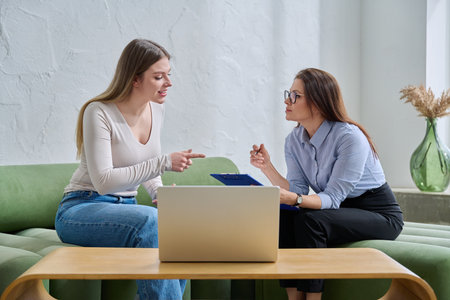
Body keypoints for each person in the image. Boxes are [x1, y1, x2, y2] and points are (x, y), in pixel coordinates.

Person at [55, 39, 205, 300]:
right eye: (159, 77)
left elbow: (145, 163)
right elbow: (104, 182)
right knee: (150, 221)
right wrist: (164, 162)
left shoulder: (156, 110)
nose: (168, 83)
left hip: (128, 210)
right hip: (81, 208)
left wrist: (160, 193)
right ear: (135, 79)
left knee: (180, 226)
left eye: (168, 75)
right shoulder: (98, 112)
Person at [249, 68, 403, 300]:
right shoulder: (294, 140)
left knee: (310, 220)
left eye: (295, 96)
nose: (286, 101)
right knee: (284, 215)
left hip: (377, 212)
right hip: (337, 210)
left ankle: (313, 298)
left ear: (318, 104)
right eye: (288, 94)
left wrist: (295, 200)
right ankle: (294, 298)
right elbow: (298, 190)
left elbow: (332, 197)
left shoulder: (349, 137)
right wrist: (267, 167)